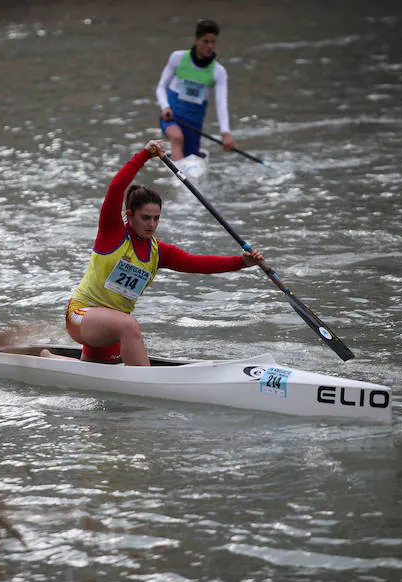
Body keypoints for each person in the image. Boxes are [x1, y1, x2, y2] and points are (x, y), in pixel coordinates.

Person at [54, 140, 263, 366]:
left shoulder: (158, 252)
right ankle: (144, 383)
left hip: (108, 328)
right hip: (81, 316)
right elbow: (115, 188)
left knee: (98, 370)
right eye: (145, 218)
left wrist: (241, 262)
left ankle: (48, 359)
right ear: (129, 215)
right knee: (130, 325)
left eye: (156, 218)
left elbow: (198, 264)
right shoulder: (112, 233)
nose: (152, 224)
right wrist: (143, 155)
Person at [155, 19, 236, 161]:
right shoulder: (177, 58)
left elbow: (221, 104)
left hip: (193, 123)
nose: (210, 46)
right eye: (206, 41)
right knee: (177, 137)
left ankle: (179, 164)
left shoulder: (218, 72)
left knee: (189, 155)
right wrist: (165, 107)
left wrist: (225, 133)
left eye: (213, 42)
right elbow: (161, 87)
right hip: (172, 116)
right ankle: (178, 175)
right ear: (196, 40)